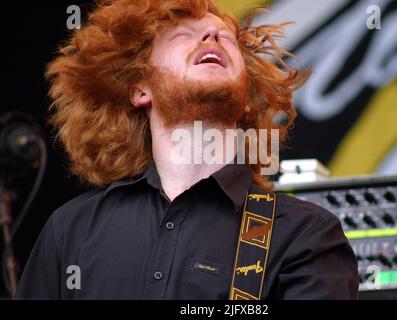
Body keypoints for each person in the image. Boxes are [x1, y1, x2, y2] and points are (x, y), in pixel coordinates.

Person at [15, 0, 359, 299]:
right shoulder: (71, 230)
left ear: (245, 103)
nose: (211, 37)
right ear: (140, 91)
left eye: (225, 38)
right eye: (182, 35)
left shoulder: (305, 234)